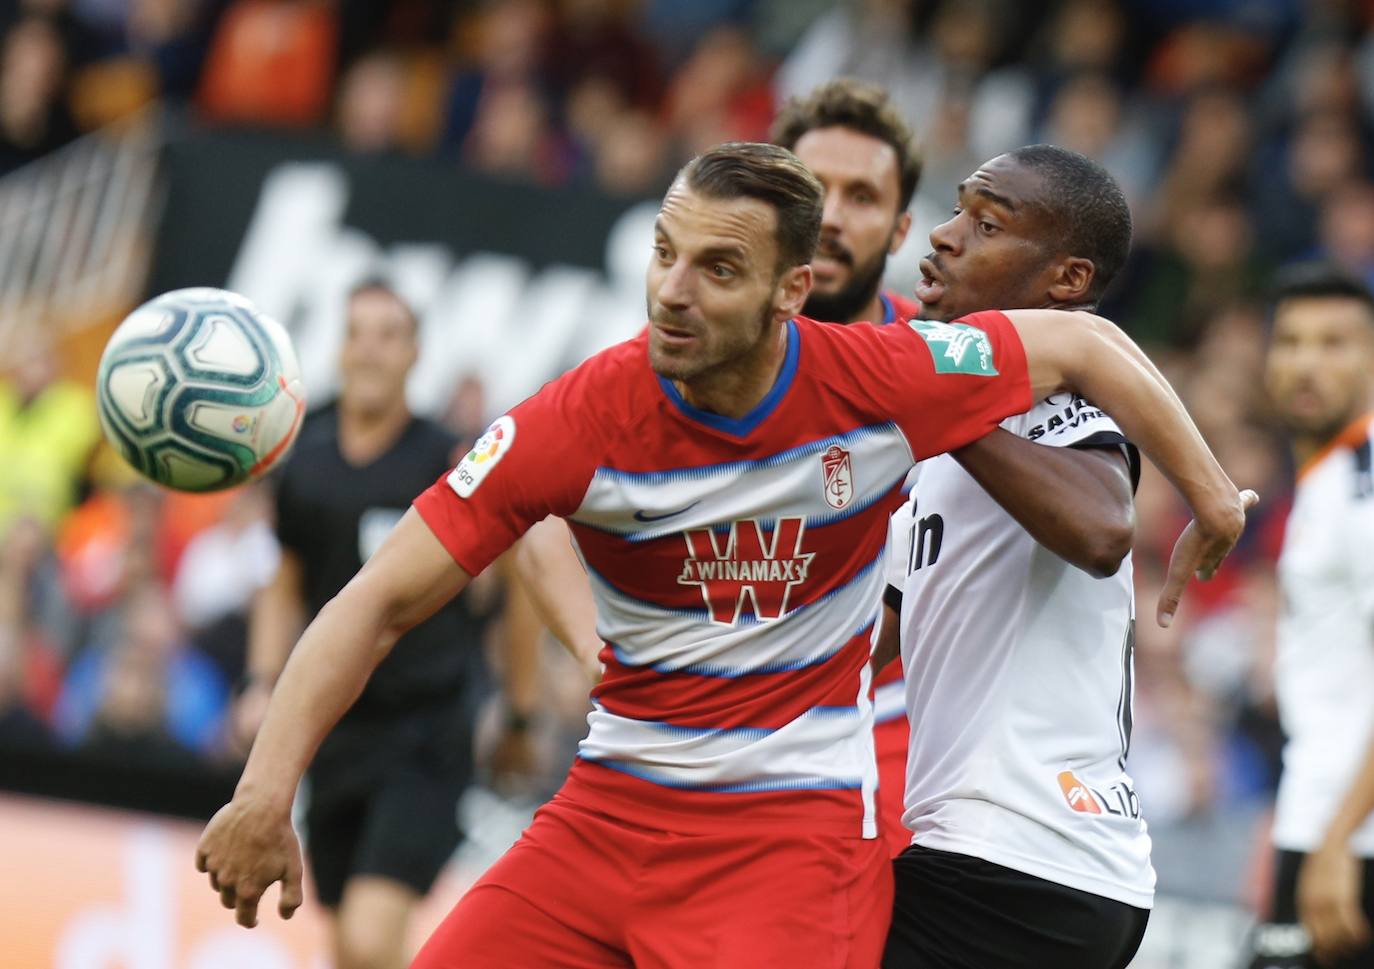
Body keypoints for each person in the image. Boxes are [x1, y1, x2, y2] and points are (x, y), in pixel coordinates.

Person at [196, 142, 1247, 967]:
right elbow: (377, 599)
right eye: (664, 252)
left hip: (787, 842)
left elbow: (1089, 344)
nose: (672, 292)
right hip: (606, 810)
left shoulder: (883, 379)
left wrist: (1211, 498)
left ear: (792, 290)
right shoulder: (579, 415)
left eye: (717, 267)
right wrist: (262, 788)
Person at [879, 145, 1196, 969]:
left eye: (986, 225)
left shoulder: (1050, 400)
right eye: (955, 212)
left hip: (1019, 859)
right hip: (1021, 862)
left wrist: (941, 408)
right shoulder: (943, 454)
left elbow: (1101, 528)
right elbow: (872, 639)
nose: (946, 237)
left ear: (1065, 282)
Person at [233, 280, 532, 969]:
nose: (369, 348)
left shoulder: (448, 463)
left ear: (415, 353)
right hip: (336, 732)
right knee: (348, 945)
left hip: (426, 728)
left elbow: (514, 585)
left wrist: (518, 711)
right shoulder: (302, 465)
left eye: (387, 333)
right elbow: (282, 586)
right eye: (356, 332)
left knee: (370, 936)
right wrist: (260, 681)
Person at [1245, 263, 1374, 969]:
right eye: (1290, 341)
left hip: (1349, 842)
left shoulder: (1364, 487)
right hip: (1321, 824)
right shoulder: (1330, 478)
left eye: (1334, 342)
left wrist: (1334, 843)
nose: (1306, 363)